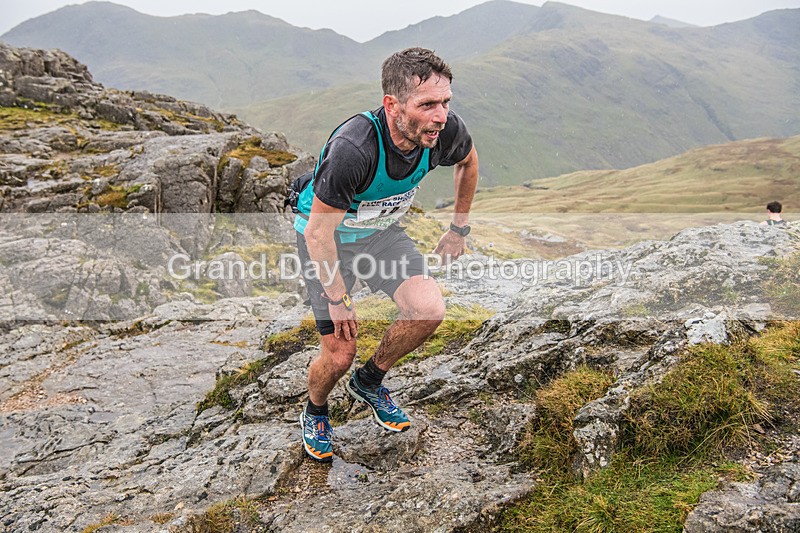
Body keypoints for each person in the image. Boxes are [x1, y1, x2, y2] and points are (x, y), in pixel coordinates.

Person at [292, 47, 479, 462]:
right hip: (328, 241)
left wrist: (457, 229)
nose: (440, 115)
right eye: (427, 104)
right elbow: (318, 233)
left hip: (379, 236)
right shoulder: (354, 149)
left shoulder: (443, 132)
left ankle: (370, 380)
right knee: (339, 352)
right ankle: (316, 409)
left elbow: (468, 162)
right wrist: (337, 299)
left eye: (446, 102)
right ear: (392, 105)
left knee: (428, 310)